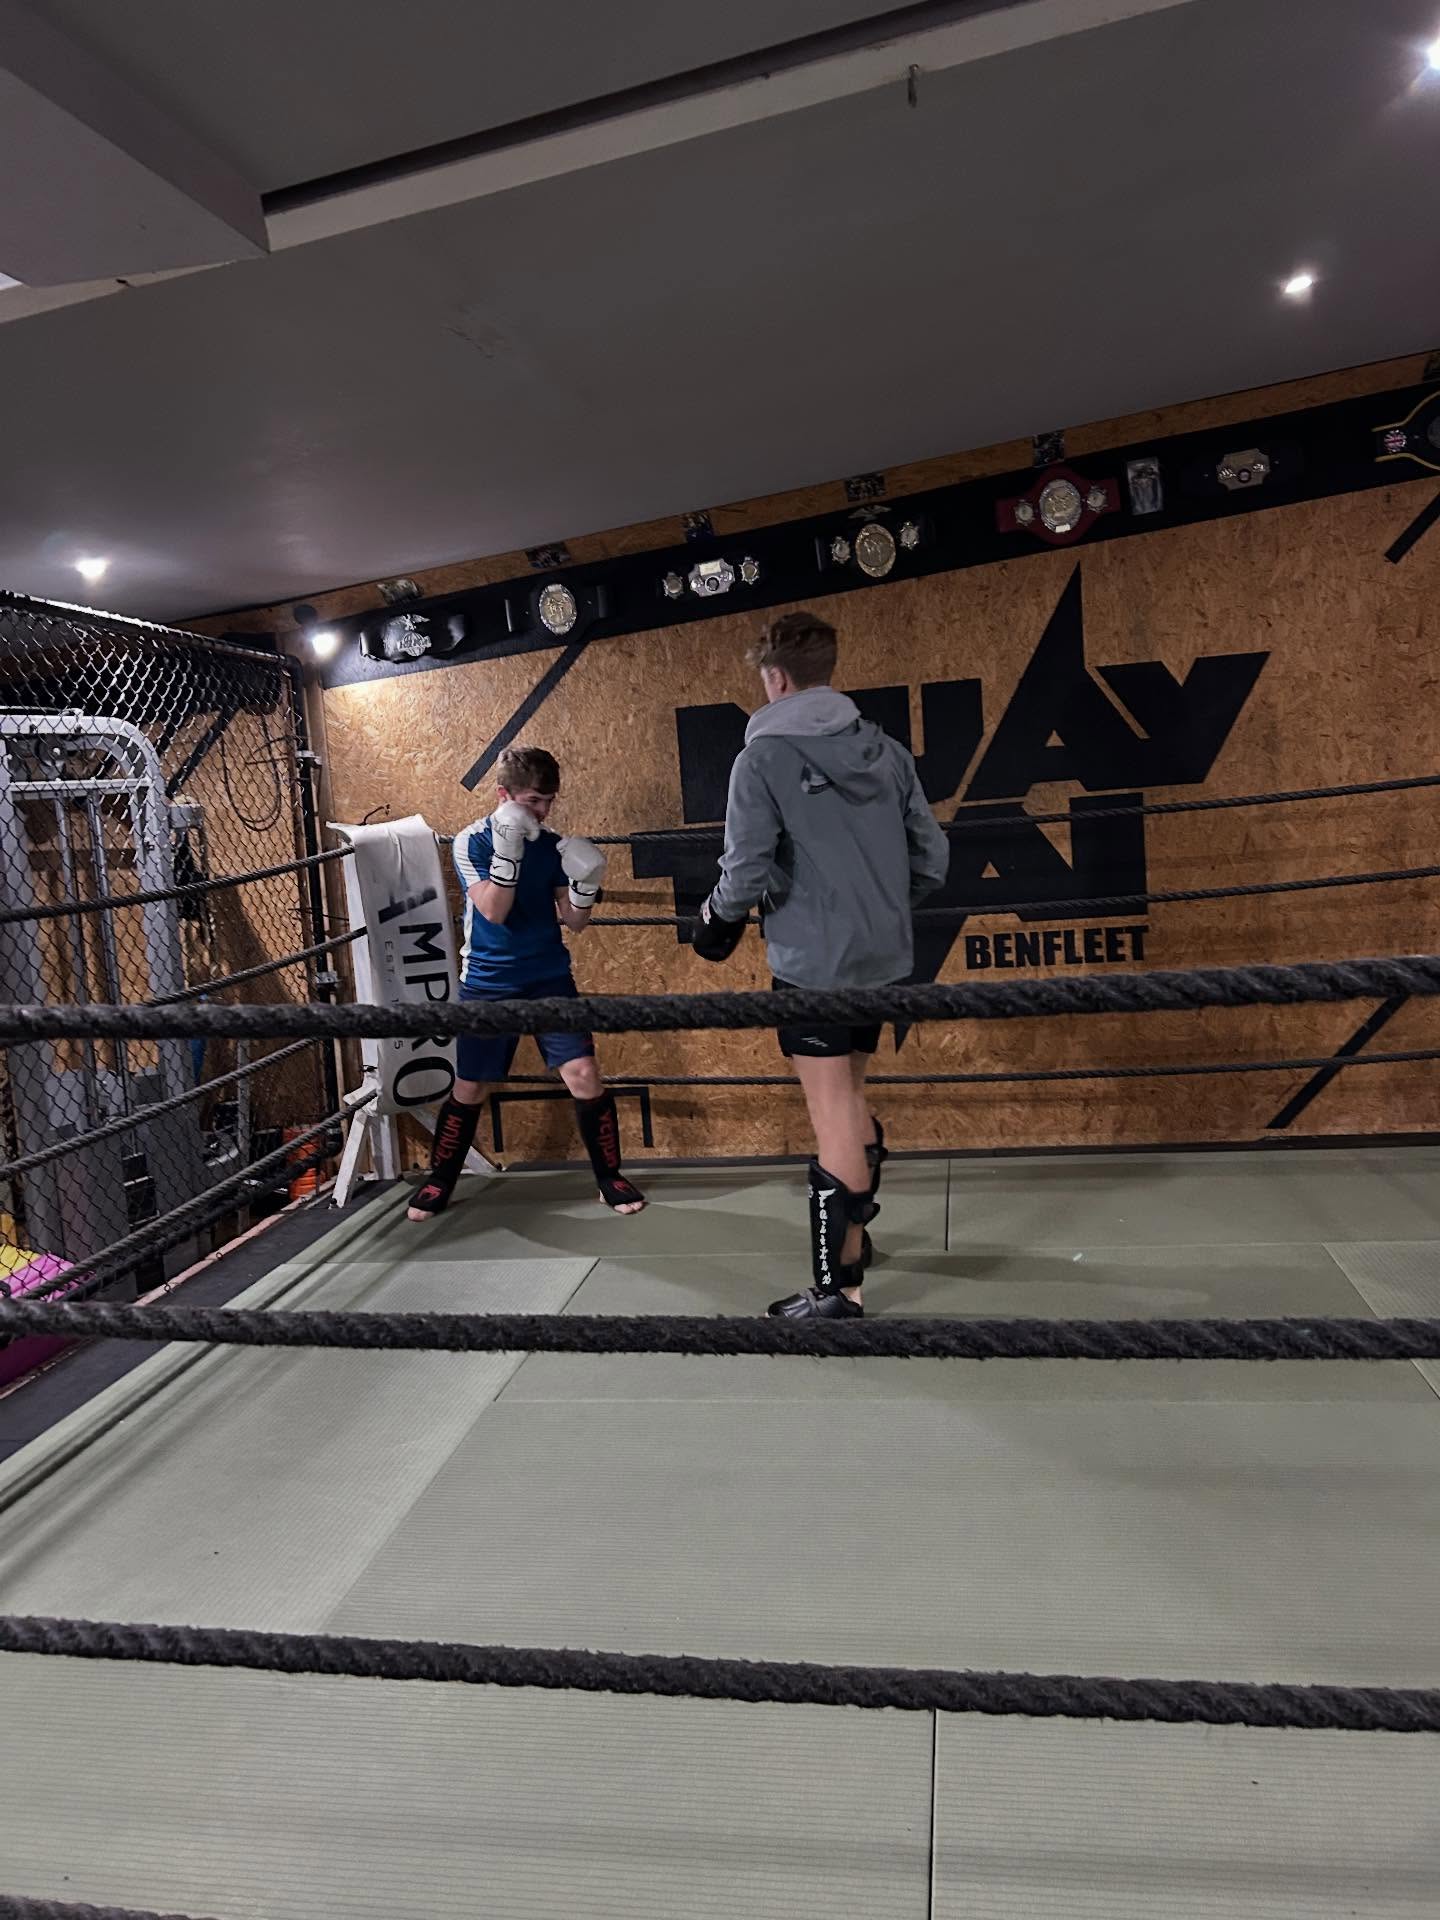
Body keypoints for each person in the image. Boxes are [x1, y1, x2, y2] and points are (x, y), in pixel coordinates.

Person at [691, 609, 949, 1317]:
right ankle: (856, 1239)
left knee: (833, 1113)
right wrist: (881, 912)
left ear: (774, 679)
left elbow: (743, 871)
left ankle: (840, 1291)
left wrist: (715, 922)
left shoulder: (762, 759)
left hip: (811, 966)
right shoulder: (887, 751)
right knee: (853, 1097)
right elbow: (933, 858)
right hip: (884, 960)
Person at [406, 745, 646, 1222]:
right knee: (470, 1086)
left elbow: (575, 921)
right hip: (488, 982)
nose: (543, 810)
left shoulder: (552, 844)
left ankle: (608, 1178)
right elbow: (493, 909)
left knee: (584, 1076)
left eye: (550, 800)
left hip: (549, 978)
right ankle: (440, 1180)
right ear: (504, 794)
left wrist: (586, 884)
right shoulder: (471, 842)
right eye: (534, 800)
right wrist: (508, 850)